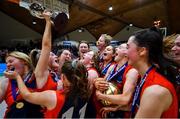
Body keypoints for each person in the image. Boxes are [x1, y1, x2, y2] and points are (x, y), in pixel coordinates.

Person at [4, 61, 91, 118]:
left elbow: (27, 95)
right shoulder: (87, 90)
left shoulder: (53, 96)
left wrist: (17, 77)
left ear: (63, 77)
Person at [127, 27, 178, 118]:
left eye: (128, 47)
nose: (125, 52)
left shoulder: (155, 91)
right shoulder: (144, 77)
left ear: (142, 51)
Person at [95, 43, 139, 118]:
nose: (116, 49)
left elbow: (125, 100)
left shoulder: (132, 71)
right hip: (107, 108)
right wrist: (96, 84)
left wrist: (101, 95)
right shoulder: (112, 67)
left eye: (120, 47)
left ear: (126, 53)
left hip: (122, 113)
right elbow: (102, 82)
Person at [1, 51, 43, 118]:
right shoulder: (6, 82)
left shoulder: (38, 77)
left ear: (24, 61)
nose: (8, 65)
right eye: (6, 63)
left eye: (11, 61)